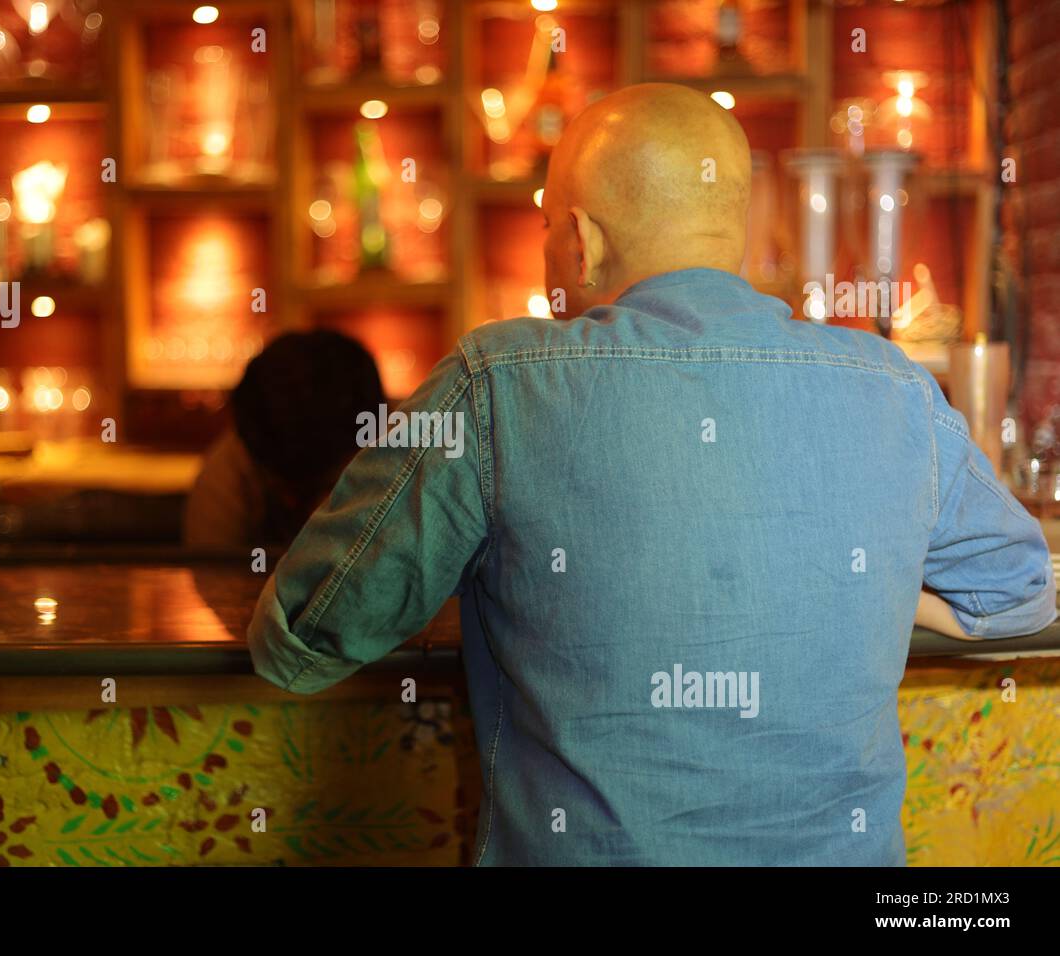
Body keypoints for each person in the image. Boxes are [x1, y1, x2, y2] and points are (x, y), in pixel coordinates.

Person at [246, 83, 1055, 865]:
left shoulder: (497, 383)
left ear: (584, 238)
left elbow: (306, 632)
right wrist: (876, 586)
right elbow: (1023, 590)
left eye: (546, 227)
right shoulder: (893, 388)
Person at [183, 330, 385, 550]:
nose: (313, 513)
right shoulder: (228, 476)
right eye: (290, 490)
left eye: (330, 486)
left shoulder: (402, 461)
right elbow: (212, 576)